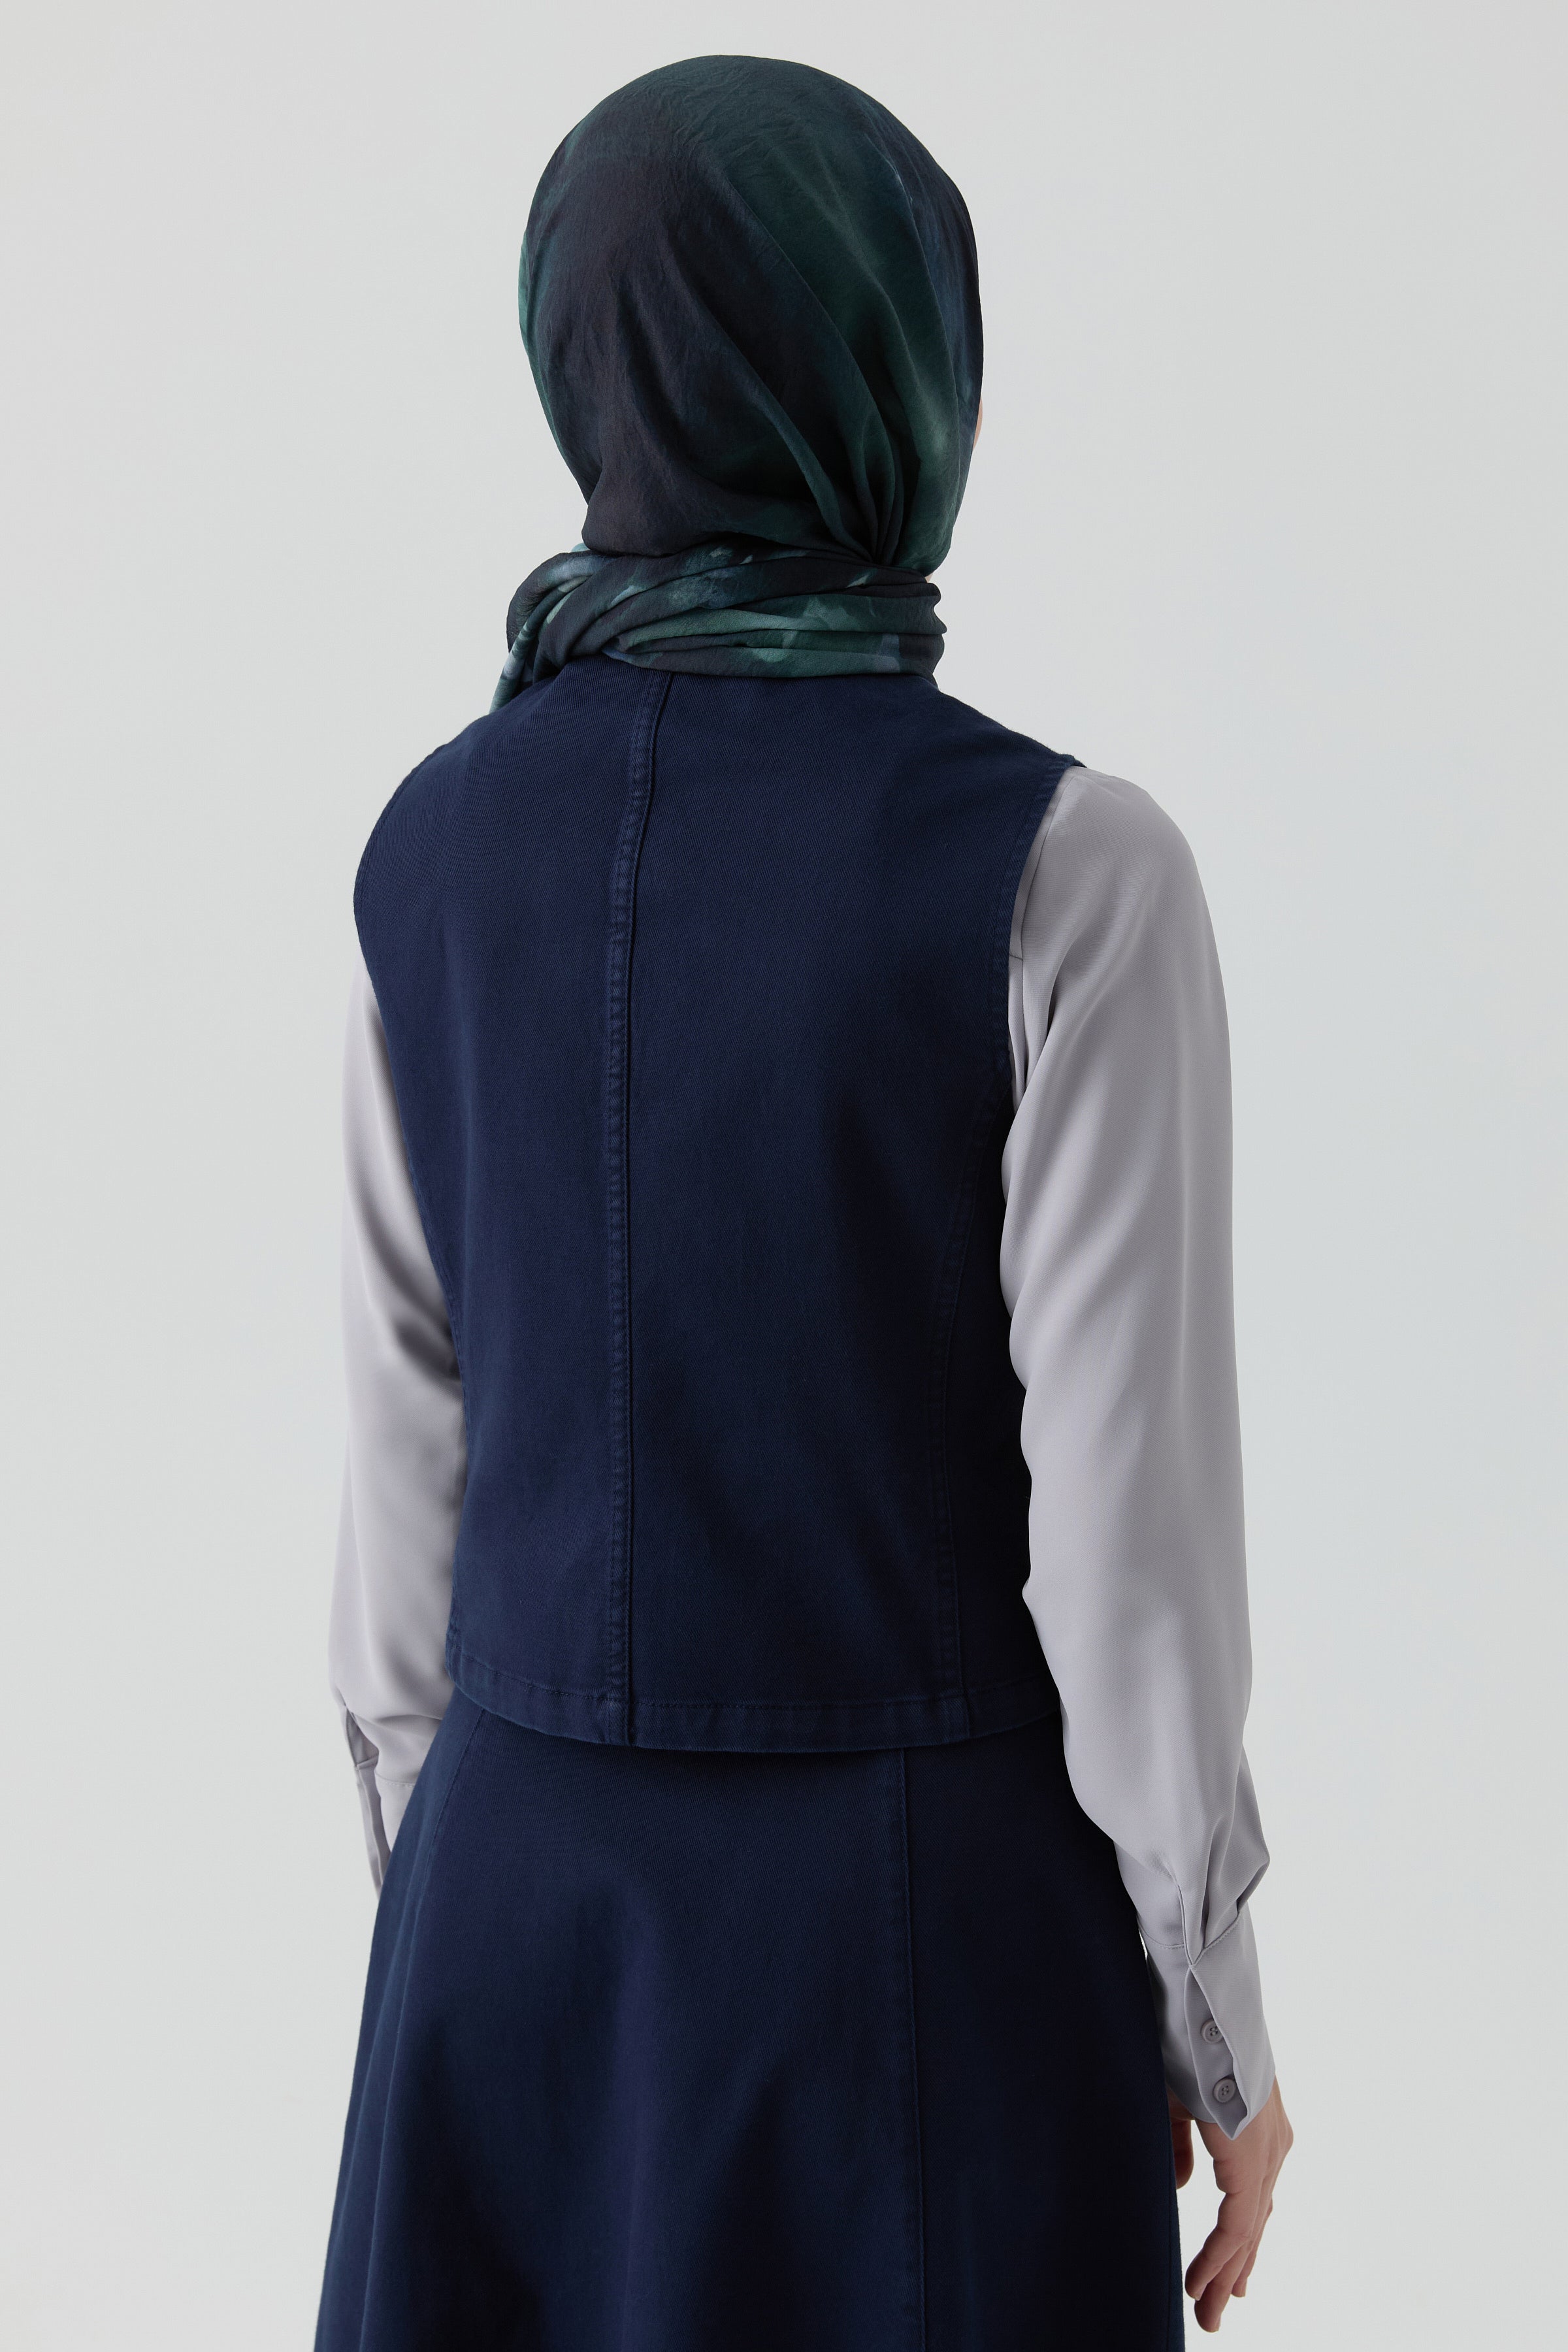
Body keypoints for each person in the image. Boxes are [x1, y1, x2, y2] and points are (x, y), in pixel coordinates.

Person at [316, 54, 1290, 2352]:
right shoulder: (1069, 871)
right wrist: (1218, 2019)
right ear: (905, 364)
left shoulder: (427, 849)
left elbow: (401, 1488)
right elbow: (1130, 1558)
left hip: (510, 1919)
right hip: (920, 1936)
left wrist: (447, 1937)